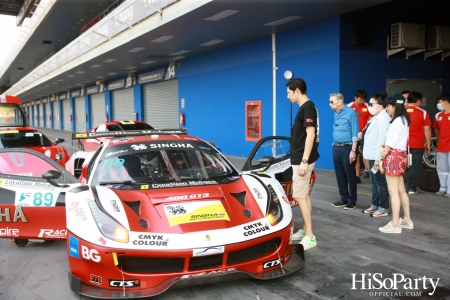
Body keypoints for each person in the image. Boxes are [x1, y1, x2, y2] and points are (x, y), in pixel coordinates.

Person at [286, 78, 320, 250]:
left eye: (289, 92)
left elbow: (311, 135)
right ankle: (306, 230)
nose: (288, 96)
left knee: (298, 196)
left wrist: (304, 161)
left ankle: (310, 236)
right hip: (300, 158)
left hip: (302, 159)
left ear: (297, 91)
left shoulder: (307, 107)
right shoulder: (306, 107)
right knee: (304, 195)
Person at [379, 93, 413, 233]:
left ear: (395, 106)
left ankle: (395, 224)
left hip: (393, 156)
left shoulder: (396, 121)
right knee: (401, 190)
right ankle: (406, 219)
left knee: (393, 191)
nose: (387, 108)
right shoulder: (405, 120)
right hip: (401, 156)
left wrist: (382, 158)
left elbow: (389, 145)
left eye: (388, 106)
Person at [360, 93, 391, 217]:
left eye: (371, 104)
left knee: (380, 182)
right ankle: (375, 204)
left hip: (377, 155)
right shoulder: (376, 116)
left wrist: (379, 158)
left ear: (379, 105)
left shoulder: (383, 117)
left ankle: (383, 207)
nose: (369, 106)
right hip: (372, 154)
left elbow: (382, 138)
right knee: (374, 180)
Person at [330, 92, 359, 210]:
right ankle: (344, 198)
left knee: (350, 174)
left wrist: (353, 150)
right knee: (340, 174)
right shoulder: (336, 113)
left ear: (340, 101)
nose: (329, 104)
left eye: (331, 101)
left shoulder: (350, 112)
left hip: (347, 147)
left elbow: (354, 132)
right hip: (336, 147)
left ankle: (352, 200)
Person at [405, 91, 431, 194]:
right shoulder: (423, 113)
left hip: (402, 144)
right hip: (417, 144)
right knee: (415, 166)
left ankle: (398, 187)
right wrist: (428, 143)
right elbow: (427, 129)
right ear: (418, 100)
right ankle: (411, 188)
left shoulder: (400, 111)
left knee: (400, 166)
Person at [347, 89, 371, 182]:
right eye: (360, 99)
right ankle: (355, 176)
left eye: (363, 100)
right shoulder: (349, 107)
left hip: (365, 135)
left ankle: (364, 173)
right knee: (355, 155)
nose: (362, 101)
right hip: (353, 136)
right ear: (355, 98)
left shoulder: (368, 107)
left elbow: (371, 120)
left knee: (364, 155)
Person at [432, 94, 450, 198]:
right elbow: (436, 128)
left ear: (446, 102)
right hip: (442, 146)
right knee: (442, 169)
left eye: (439, 102)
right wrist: (440, 139)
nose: (438, 104)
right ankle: (442, 188)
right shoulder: (438, 115)